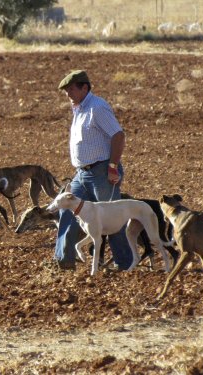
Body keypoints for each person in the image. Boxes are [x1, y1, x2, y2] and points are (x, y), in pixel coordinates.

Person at [54, 70, 133, 271]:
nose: (67, 94)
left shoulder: (97, 107)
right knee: (66, 209)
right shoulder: (79, 108)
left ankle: (125, 264)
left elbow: (118, 136)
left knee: (111, 217)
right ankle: (64, 262)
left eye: (71, 89)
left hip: (102, 172)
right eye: (65, 90)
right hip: (82, 174)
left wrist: (113, 167)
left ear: (85, 88)